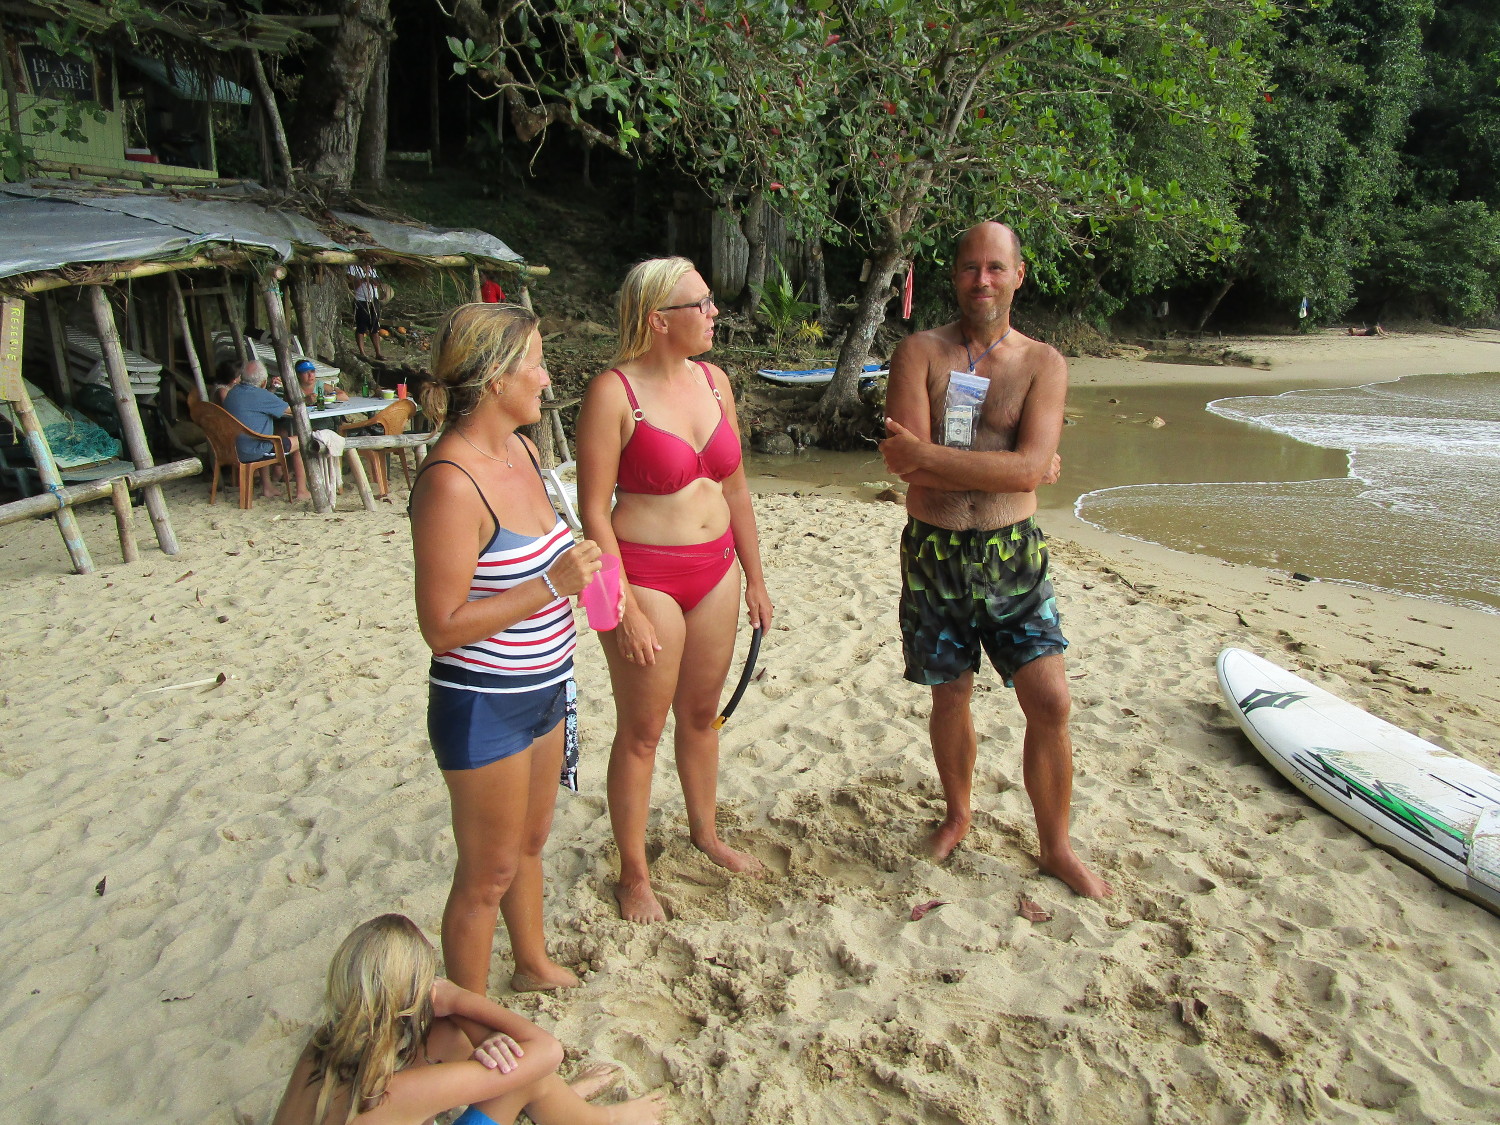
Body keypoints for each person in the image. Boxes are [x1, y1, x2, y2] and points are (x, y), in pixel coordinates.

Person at [878, 221, 1111, 899]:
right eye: (970, 267)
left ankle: (1056, 845)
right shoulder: (919, 352)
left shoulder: (1043, 363)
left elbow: (1027, 465)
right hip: (933, 550)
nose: (982, 279)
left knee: (1051, 699)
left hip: (1014, 554)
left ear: (1019, 275)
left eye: (996, 267)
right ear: (954, 276)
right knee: (950, 692)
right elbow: (903, 465)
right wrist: (1012, 469)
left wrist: (942, 461)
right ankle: (958, 812)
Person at [410, 303, 604, 994]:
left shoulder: (524, 449)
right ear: (494, 378)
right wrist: (553, 584)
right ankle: (464, 1021)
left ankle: (531, 961)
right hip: (483, 702)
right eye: (535, 364)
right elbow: (442, 624)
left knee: (527, 844)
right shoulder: (450, 482)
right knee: (485, 872)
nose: (547, 378)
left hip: (548, 686)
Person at [575, 257, 773, 923]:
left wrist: (756, 578)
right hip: (645, 575)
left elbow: (736, 486)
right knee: (641, 730)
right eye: (703, 303)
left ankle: (705, 831)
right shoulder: (613, 393)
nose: (715, 312)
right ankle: (634, 874)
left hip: (716, 569)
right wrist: (622, 605)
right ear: (661, 319)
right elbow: (595, 511)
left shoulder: (716, 382)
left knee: (702, 714)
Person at [270, 913, 666, 1125]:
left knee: (457, 1038)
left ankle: (556, 1105)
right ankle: (601, 1120)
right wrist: (460, 998)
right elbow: (547, 1051)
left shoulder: (324, 1042)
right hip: (396, 1103)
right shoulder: (396, 1093)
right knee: (525, 1076)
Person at [222, 360, 312, 502]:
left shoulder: (233, 393)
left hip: (233, 449)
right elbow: (294, 411)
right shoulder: (260, 396)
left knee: (266, 436)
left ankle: (267, 487)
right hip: (253, 451)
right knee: (301, 440)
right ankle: (302, 490)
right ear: (264, 382)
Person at [348, 260, 385, 360]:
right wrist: (363, 279)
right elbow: (351, 285)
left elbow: (378, 282)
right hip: (361, 300)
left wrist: (374, 280)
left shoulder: (372, 268)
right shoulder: (353, 267)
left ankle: (378, 353)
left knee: (375, 327)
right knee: (361, 327)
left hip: (373, 299)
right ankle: (362, 352)